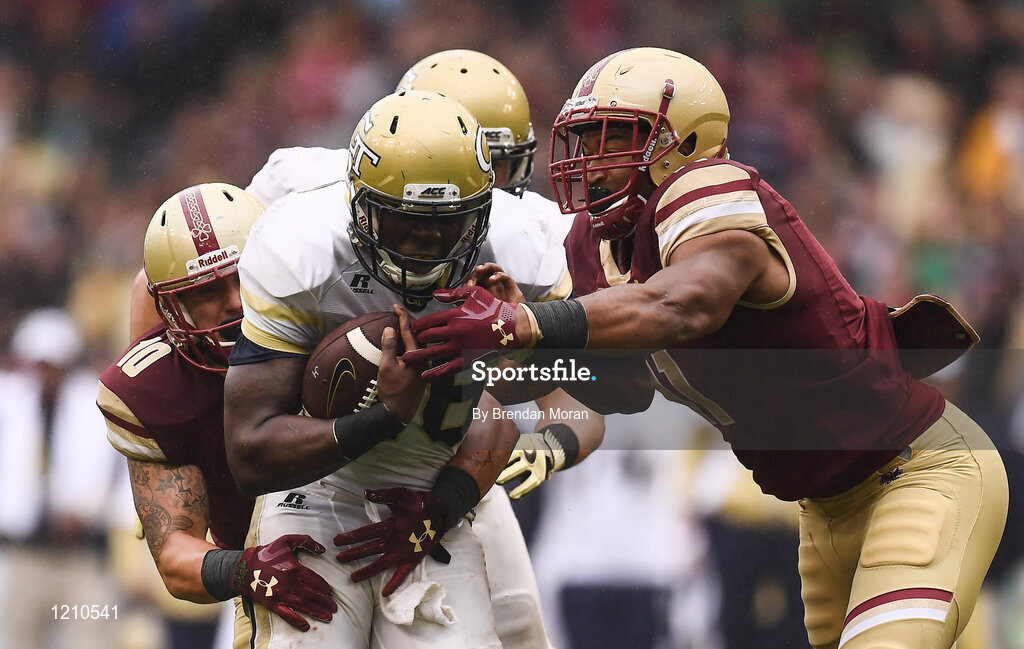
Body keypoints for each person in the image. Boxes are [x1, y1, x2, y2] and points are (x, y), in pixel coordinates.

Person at [404, 47, 1009, 649]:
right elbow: (629, 387)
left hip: (918, 471)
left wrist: (526, 322)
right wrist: (520, 354)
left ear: (684, 141)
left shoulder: (710, 189)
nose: (591, 162)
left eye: (615, 137)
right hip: (824, 508)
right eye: (585, 141)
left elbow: (683, 305)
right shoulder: (598, 245)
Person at [223, 90, 590, 649]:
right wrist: (385, 414)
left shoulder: (524, 246)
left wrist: (517, 340)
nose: (428, 241)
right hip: (318, 485)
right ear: (361, 206)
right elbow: (250, 453)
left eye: (448, 223)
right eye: (406, 222)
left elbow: (552, 401)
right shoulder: (299, 243)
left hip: (443, 484)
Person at [96, 184, 338, 644]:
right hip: (277, 575)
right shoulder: (155, 389)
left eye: (244, 276)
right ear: (171, 306)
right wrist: (245, 568)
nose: (235, 303)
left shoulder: (334, 308)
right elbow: (175, 558)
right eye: (207, 289)